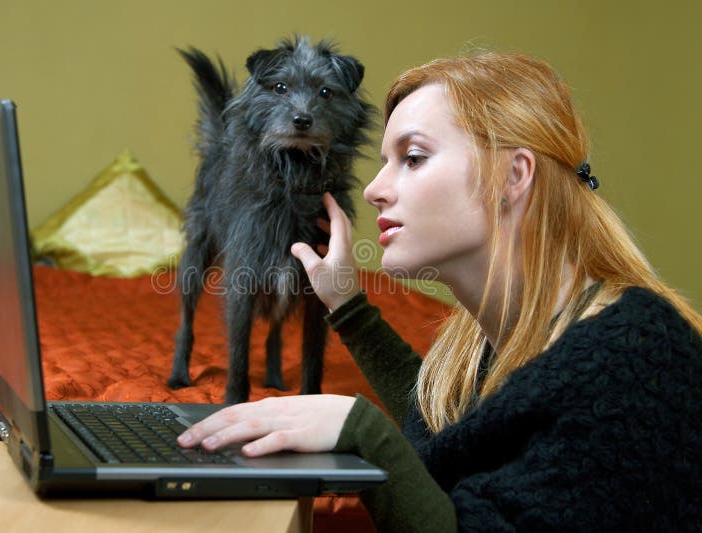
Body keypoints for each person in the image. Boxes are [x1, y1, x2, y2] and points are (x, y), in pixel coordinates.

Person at [177, 51, 702, 531]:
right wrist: (345, 304)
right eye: (384, 160)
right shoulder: (502, 339)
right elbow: (456, 433)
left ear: (512, 175)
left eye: (413, 157)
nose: (375, 189)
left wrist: (361, 430)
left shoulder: (632, 356)